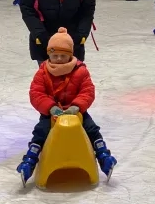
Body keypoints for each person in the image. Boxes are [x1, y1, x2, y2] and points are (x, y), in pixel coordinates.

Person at [16, 27, 117, 186]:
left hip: (76, 112)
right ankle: (29, 161)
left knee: (92, 129)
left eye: (63, 56)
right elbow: (36, 93)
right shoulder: (43, 72)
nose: (58, 59)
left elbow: (87, 91)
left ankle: (104, 156)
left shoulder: (80, 71)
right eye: (54, 55)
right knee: (41, 131)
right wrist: (50, 107)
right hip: (51, 113)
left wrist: (77, 106)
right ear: (48, 54)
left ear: (70, 55)